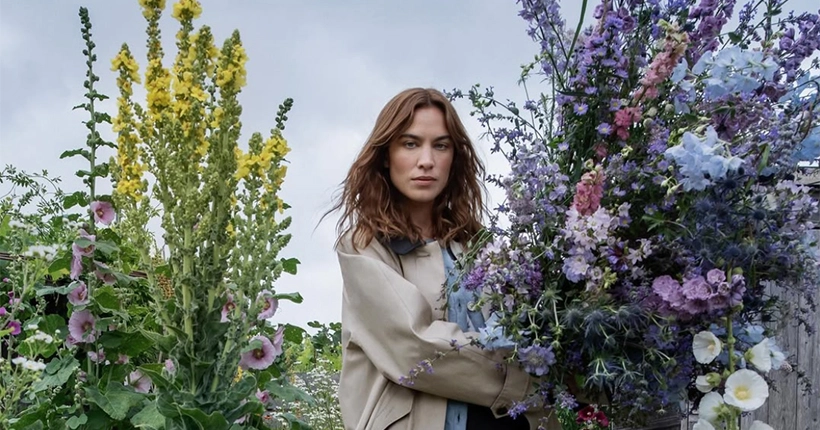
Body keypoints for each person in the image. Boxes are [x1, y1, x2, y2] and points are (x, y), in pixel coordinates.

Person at [325, 88, 552, 430]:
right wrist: (525, 376)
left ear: (454, 157)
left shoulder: (483, 247)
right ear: (386, 155)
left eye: (441, 145)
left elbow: (537, 331)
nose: (426, 160)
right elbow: (416, 349)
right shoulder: (364, 249)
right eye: (411, 143)